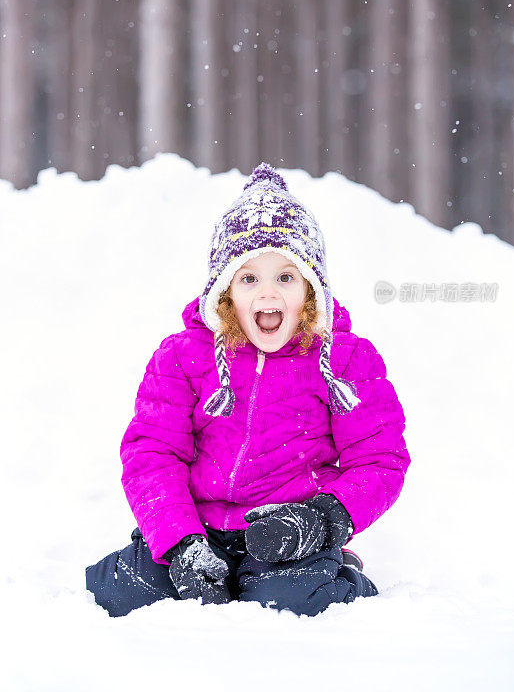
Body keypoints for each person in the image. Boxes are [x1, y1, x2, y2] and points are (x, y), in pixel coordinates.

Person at [86, 162, 410, 617]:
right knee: (126, 595)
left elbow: (379, 460)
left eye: (286, 277)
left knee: (293, 602)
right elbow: (152, 452)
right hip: (196, 525)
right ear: (225, 291)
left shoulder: (345, 360)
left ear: (311, 289)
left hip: (284, 529)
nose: (268, 294)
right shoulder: (182, 357)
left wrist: (322, 519)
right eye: (249, 278)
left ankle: (338, 570)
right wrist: (180, 541)